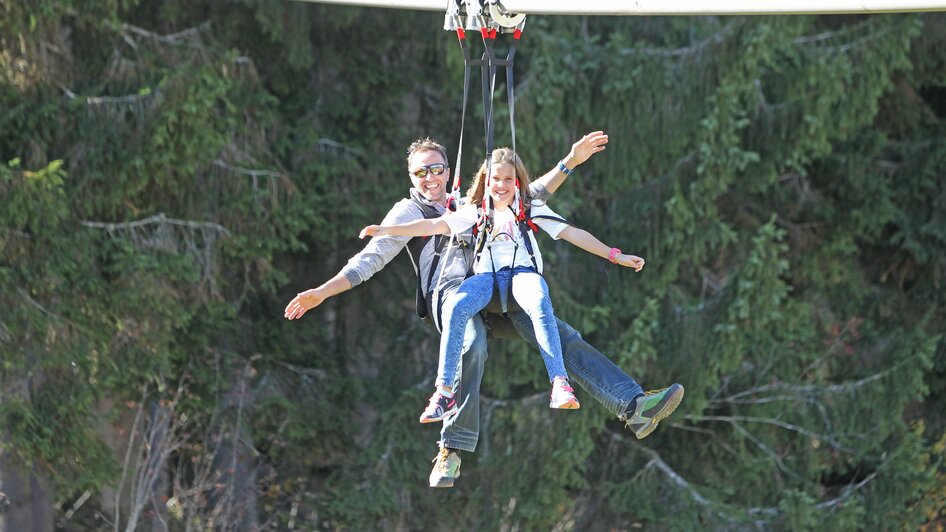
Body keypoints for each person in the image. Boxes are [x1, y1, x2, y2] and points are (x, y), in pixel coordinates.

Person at [284, 132, 684, 488]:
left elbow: (531, 193)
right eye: (420, 173)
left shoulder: (468, 200)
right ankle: (450, 447)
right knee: (471, 345)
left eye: (436, 169)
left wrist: (570, 161)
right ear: (412, 179)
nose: (429, 178)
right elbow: (369, 258)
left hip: (498, 288)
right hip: (451, 298)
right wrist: (324, 291)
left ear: (447, 170)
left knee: (557, 334)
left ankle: (633, 406)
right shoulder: (410, 212)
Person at [359, 148, 647, 423]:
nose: (501, 185)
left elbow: (572, 233)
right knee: (458, 308)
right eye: (495, 179)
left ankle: (560, 383)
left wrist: (614, 255)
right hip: (486, 281)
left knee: (539, 302)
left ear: (518, 182)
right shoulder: (475, 211)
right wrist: (388, 230)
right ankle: (444, 391)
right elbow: (433, 226)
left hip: (520, 277)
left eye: (509, 179)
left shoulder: (529, 208)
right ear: (485, 182)